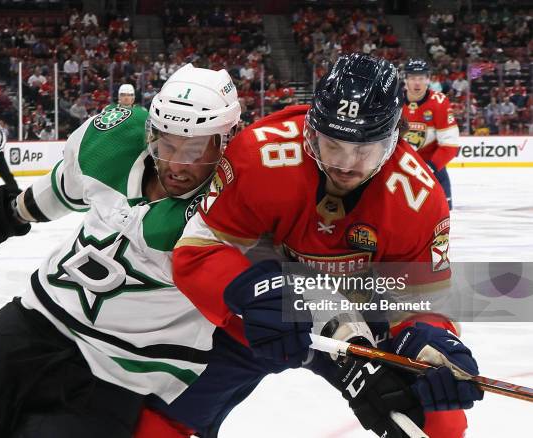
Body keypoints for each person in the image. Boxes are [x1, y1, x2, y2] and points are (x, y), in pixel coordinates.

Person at [165, 54, 482, 438]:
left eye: (363, 149)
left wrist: (432, 337)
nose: (346, 164)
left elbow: (423, 302)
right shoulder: (258, 154)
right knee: (165, 408)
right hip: (265, 312)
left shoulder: (419, 198)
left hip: (359, 321)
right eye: (333, 144)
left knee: (436, 422)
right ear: (311, 131)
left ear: (393, 139)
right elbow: (197, 250)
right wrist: (248, 291)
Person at [0, 64, 240, 438]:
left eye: (195, 148)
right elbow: (63, 187)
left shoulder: (242, 200)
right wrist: (8, 215)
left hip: (120, 373)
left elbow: (300, 263)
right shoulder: (115, 141)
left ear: (225, 140)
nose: (177, 164)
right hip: (30, 323)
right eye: (167, 143)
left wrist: (322, 317)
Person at [401, 59, 460, 209]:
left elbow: (450, 144)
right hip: (399, 167)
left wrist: (429, 167)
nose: (417, 83)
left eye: (421, 78)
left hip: (432, 168)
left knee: (442, 214)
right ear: (405, 79)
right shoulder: (394, 101)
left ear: (428, 79)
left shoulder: (439, 102)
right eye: (413, 78)